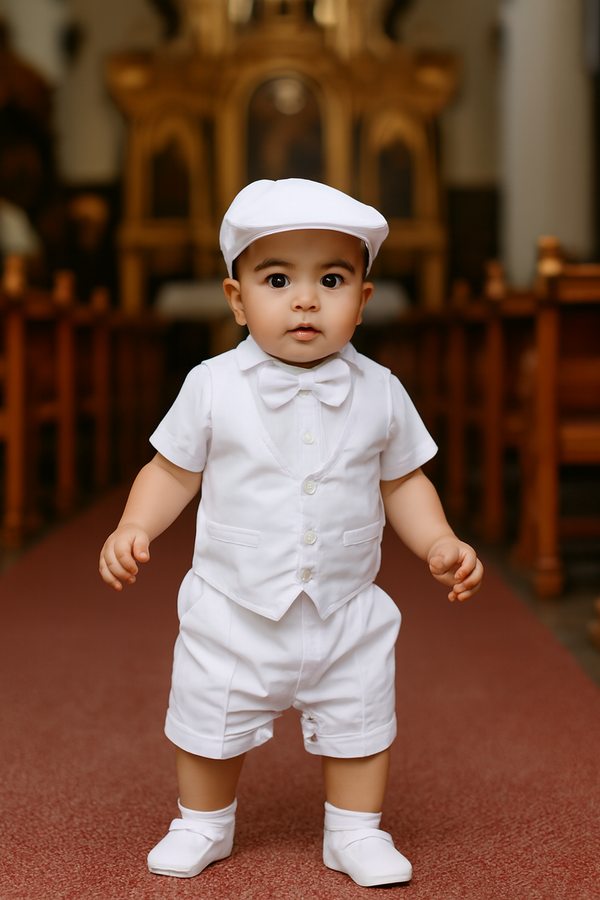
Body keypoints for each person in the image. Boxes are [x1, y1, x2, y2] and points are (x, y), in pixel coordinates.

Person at [99, 178, 483, 887]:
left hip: (343, 604)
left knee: (361, 715)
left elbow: (402, 482)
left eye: (331, 279)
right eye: (278, 278)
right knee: (209, 715)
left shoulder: (382, 390)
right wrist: (133, 524)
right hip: (234, 604)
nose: (305, 299)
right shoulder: (211, 384)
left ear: (361, 303)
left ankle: (355, 831)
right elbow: (172, 471)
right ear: (238, 299)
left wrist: (438, 541)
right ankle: (203, 822)